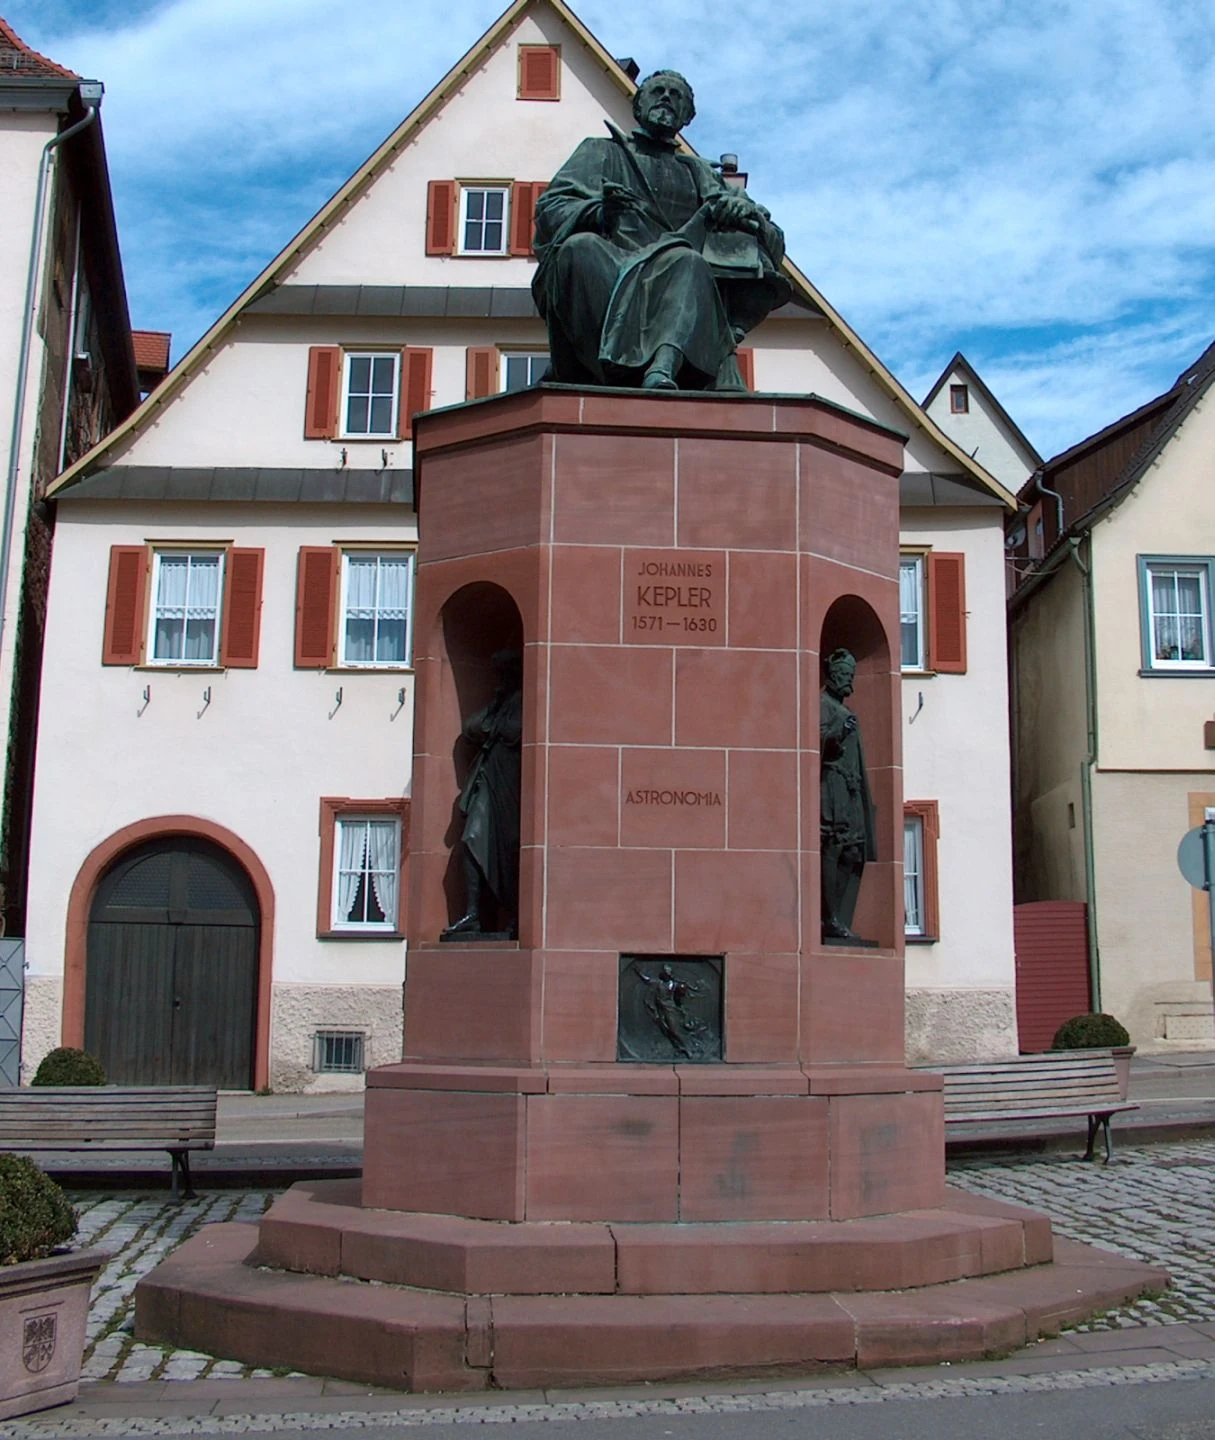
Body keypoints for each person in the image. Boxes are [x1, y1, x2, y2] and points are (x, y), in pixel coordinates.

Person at [531, 69, 790, 391]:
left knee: (688, 262)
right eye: (658, 91)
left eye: (676, 95)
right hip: (614, 259)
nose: (666, 97)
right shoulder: (601, 151)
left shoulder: (701, 174)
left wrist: (745, 213)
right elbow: (552, 207)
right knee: (578, 248)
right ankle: (601, 370)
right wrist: (599, 211)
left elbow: (773, 239)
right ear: (638, 106)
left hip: (676, 268)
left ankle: (662, 367)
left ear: (687, 116)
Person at [442, 651, 523, 938]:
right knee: (471, 838)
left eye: (504, 673)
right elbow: (470, 728)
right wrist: (494, 708)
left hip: (511, 786)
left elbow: (514, 730)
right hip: (489, 782)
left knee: (510, 848)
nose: (500, 680)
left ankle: (515, 914)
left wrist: (495, 722)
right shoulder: (501, 704)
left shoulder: (522, 701)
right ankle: (472, 913)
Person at [820, 649, 877, 942]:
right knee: (834, 846)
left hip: (851, 788)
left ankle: (838, 917)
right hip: (832, 787)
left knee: (853, 851)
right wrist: (838, 732)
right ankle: (828, 918)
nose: (849, 681)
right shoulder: (823, 704)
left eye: (850, 676)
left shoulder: (847, 710)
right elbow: (815, 741)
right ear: (832, 675)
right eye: (844, 675)